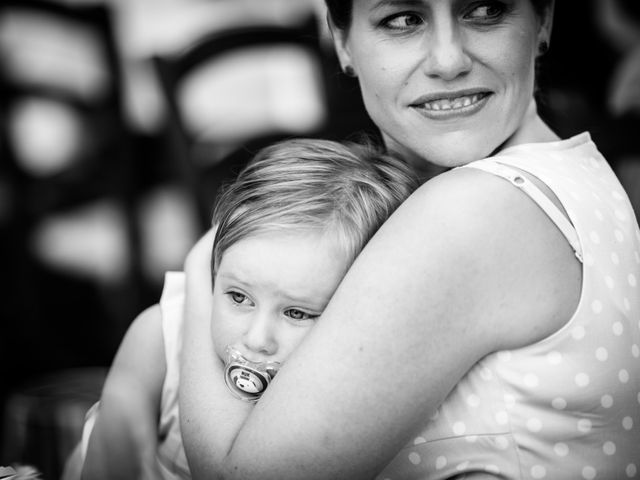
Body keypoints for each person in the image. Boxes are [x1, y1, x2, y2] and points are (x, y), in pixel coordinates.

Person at [178, 1, 640, 479]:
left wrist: (200, 266)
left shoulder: (473, 211)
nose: (448, 60)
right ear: (342, 41)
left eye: (484, 10)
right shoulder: (571, 171)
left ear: (543, 20)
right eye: (403, 19)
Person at [74, 138, 419, 480]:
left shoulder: (367, 395)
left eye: (297, 313)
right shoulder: (159, 341)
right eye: (238, 297)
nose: (256, 340)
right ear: (213, 269)